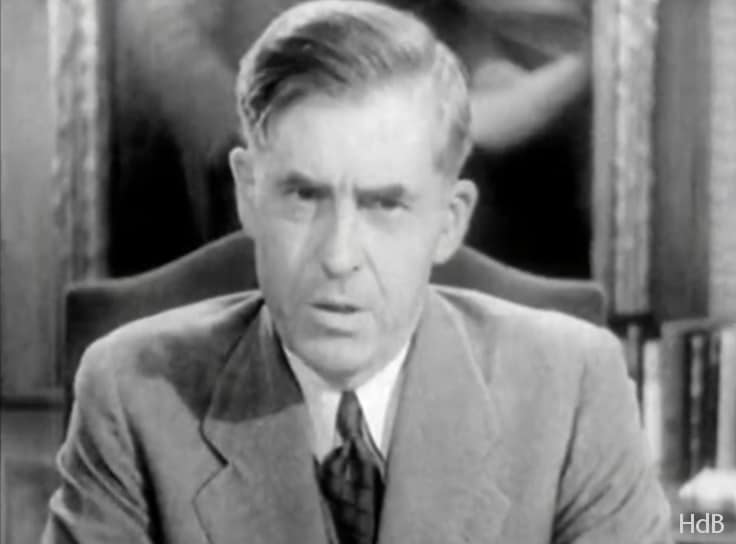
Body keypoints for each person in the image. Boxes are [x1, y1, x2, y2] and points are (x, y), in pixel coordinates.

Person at [43, 1, 672, 542]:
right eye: (304, 196)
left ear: (449, 221)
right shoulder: (132, 397)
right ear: (248, 194)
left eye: (385, 205)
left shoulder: (573, 392)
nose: (339, 256)